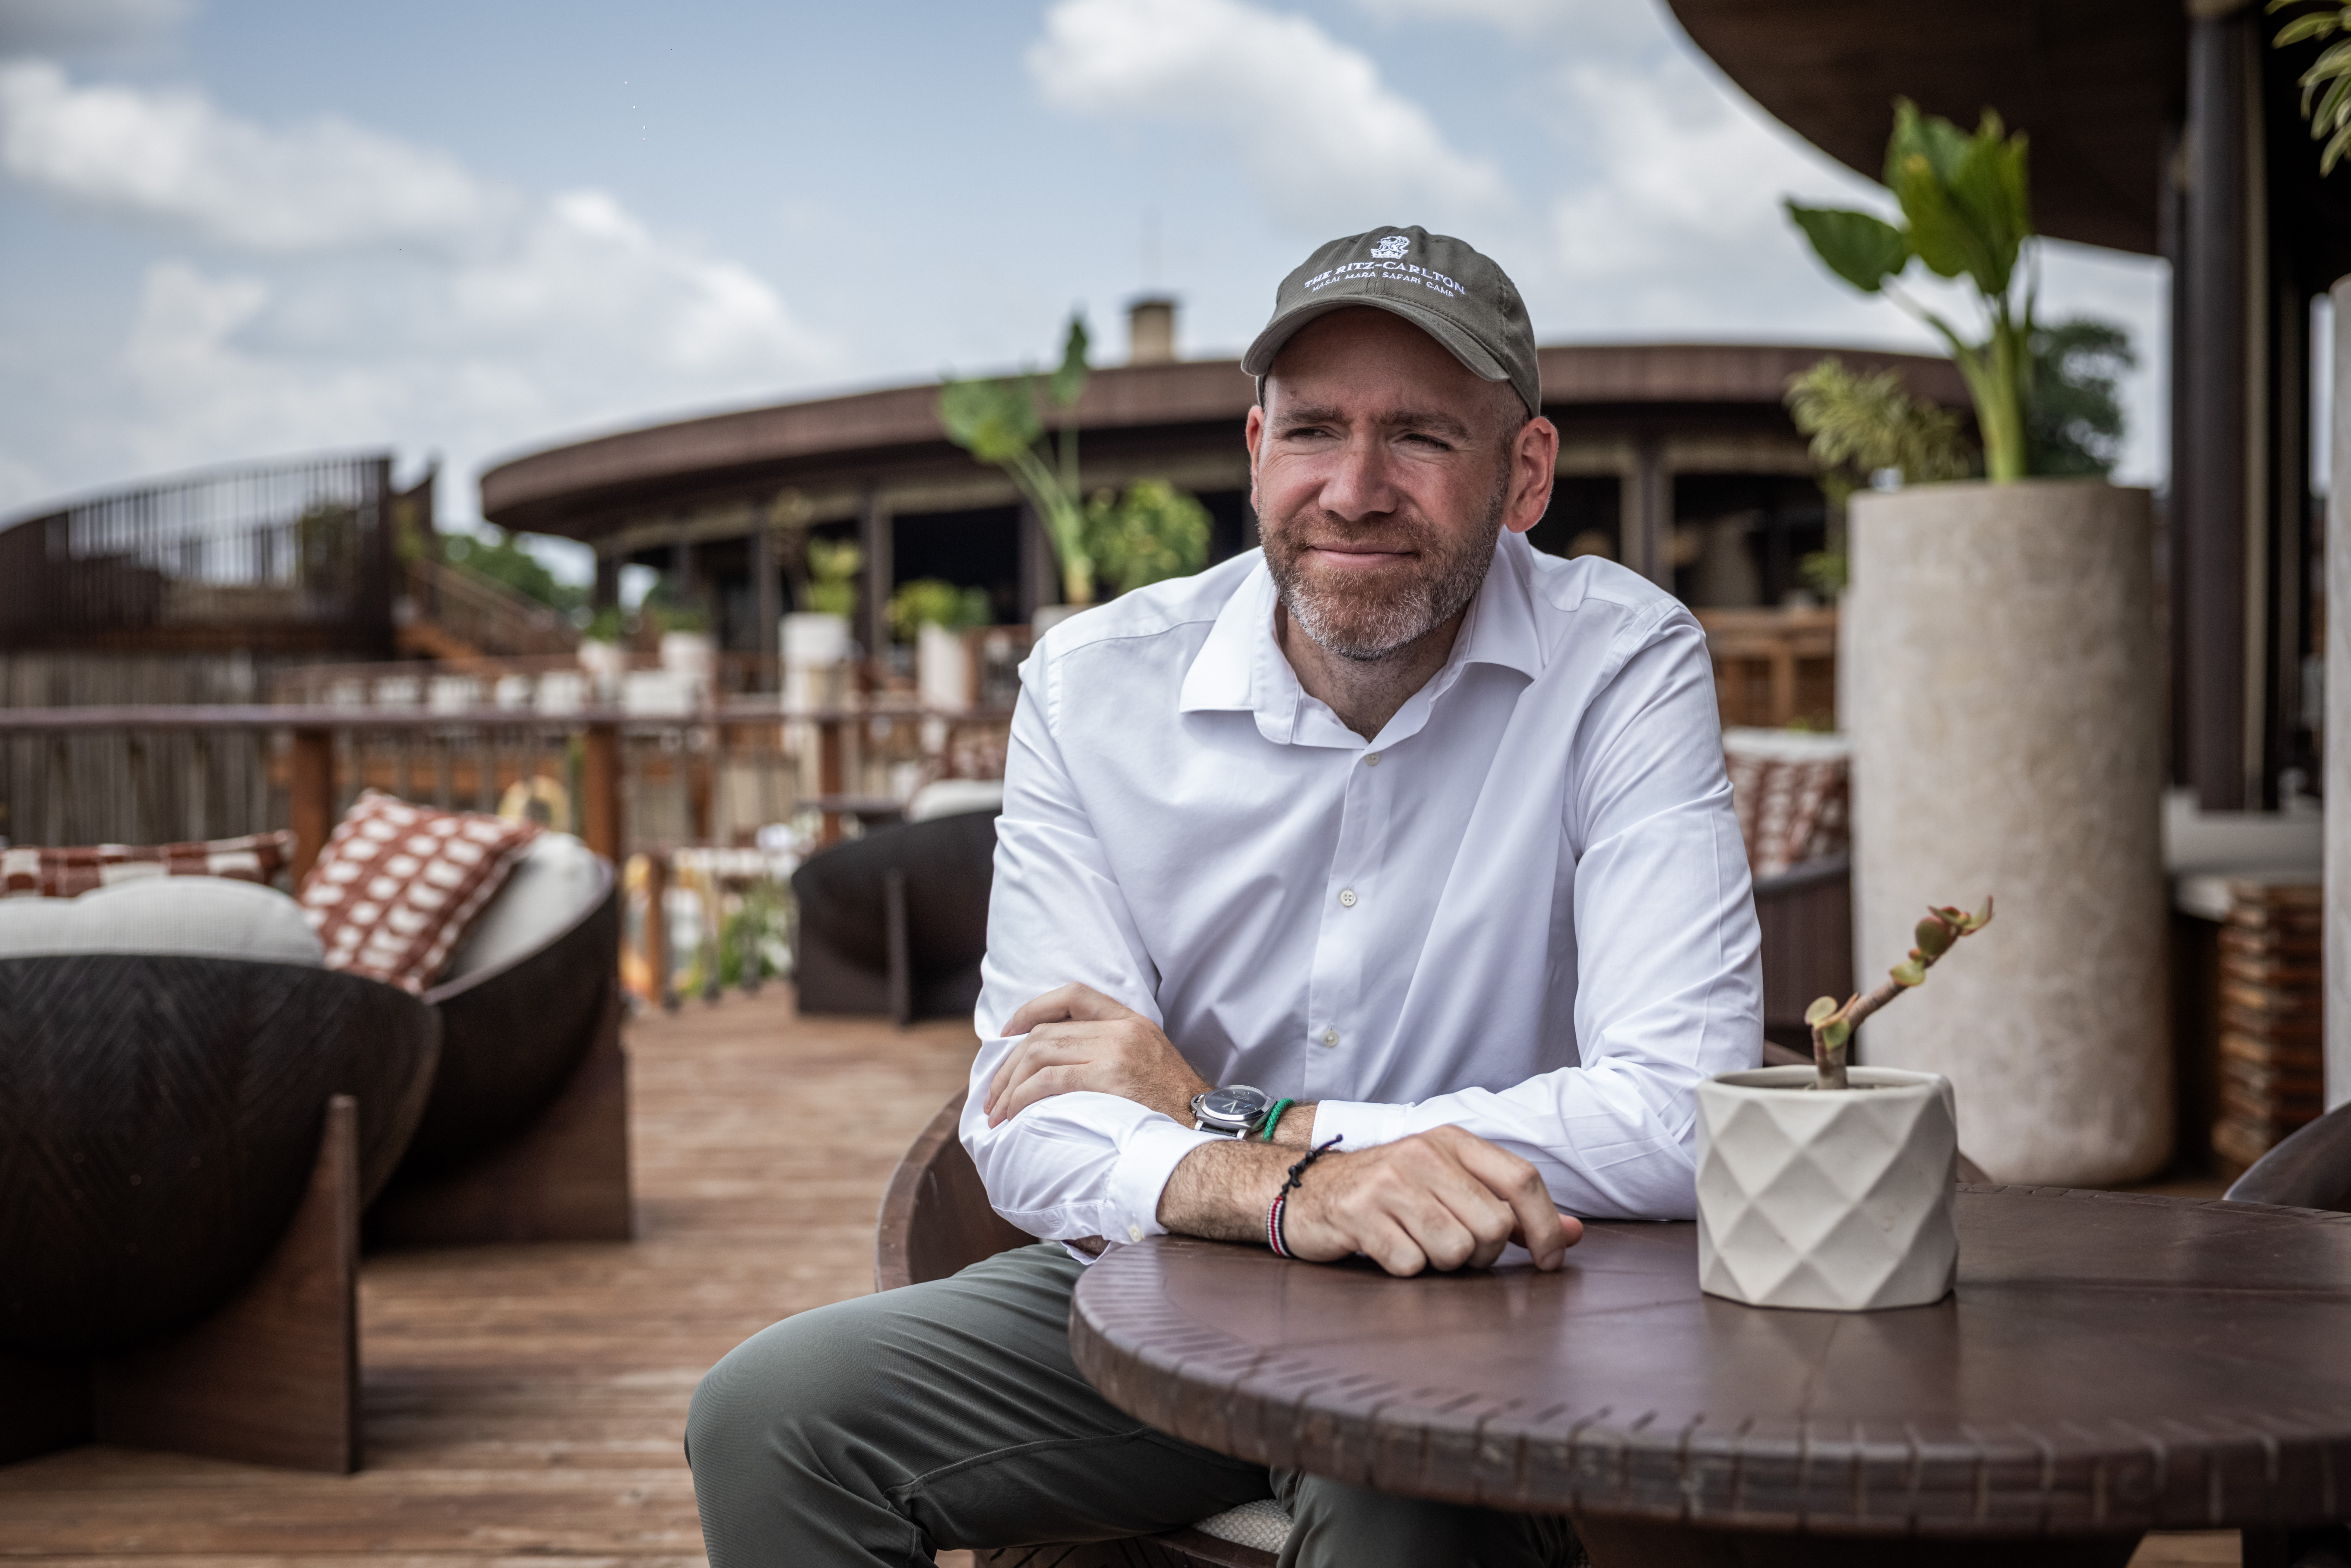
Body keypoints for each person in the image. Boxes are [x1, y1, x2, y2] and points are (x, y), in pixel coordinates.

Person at [686, 226, 1762, 1568]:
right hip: (1167, 1281)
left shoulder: (1624, 665)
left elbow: (1686, 1114)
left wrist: (1246, 1115)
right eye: (1313, 430)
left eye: (1421, 438)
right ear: (1255, 450)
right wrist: (1271, 1189)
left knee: (1394, 1461)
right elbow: (1027, 1119)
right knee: (769, 1418)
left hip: (1489, 1303)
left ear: (1523, 473)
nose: (1354, 488)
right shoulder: (1093, 687)